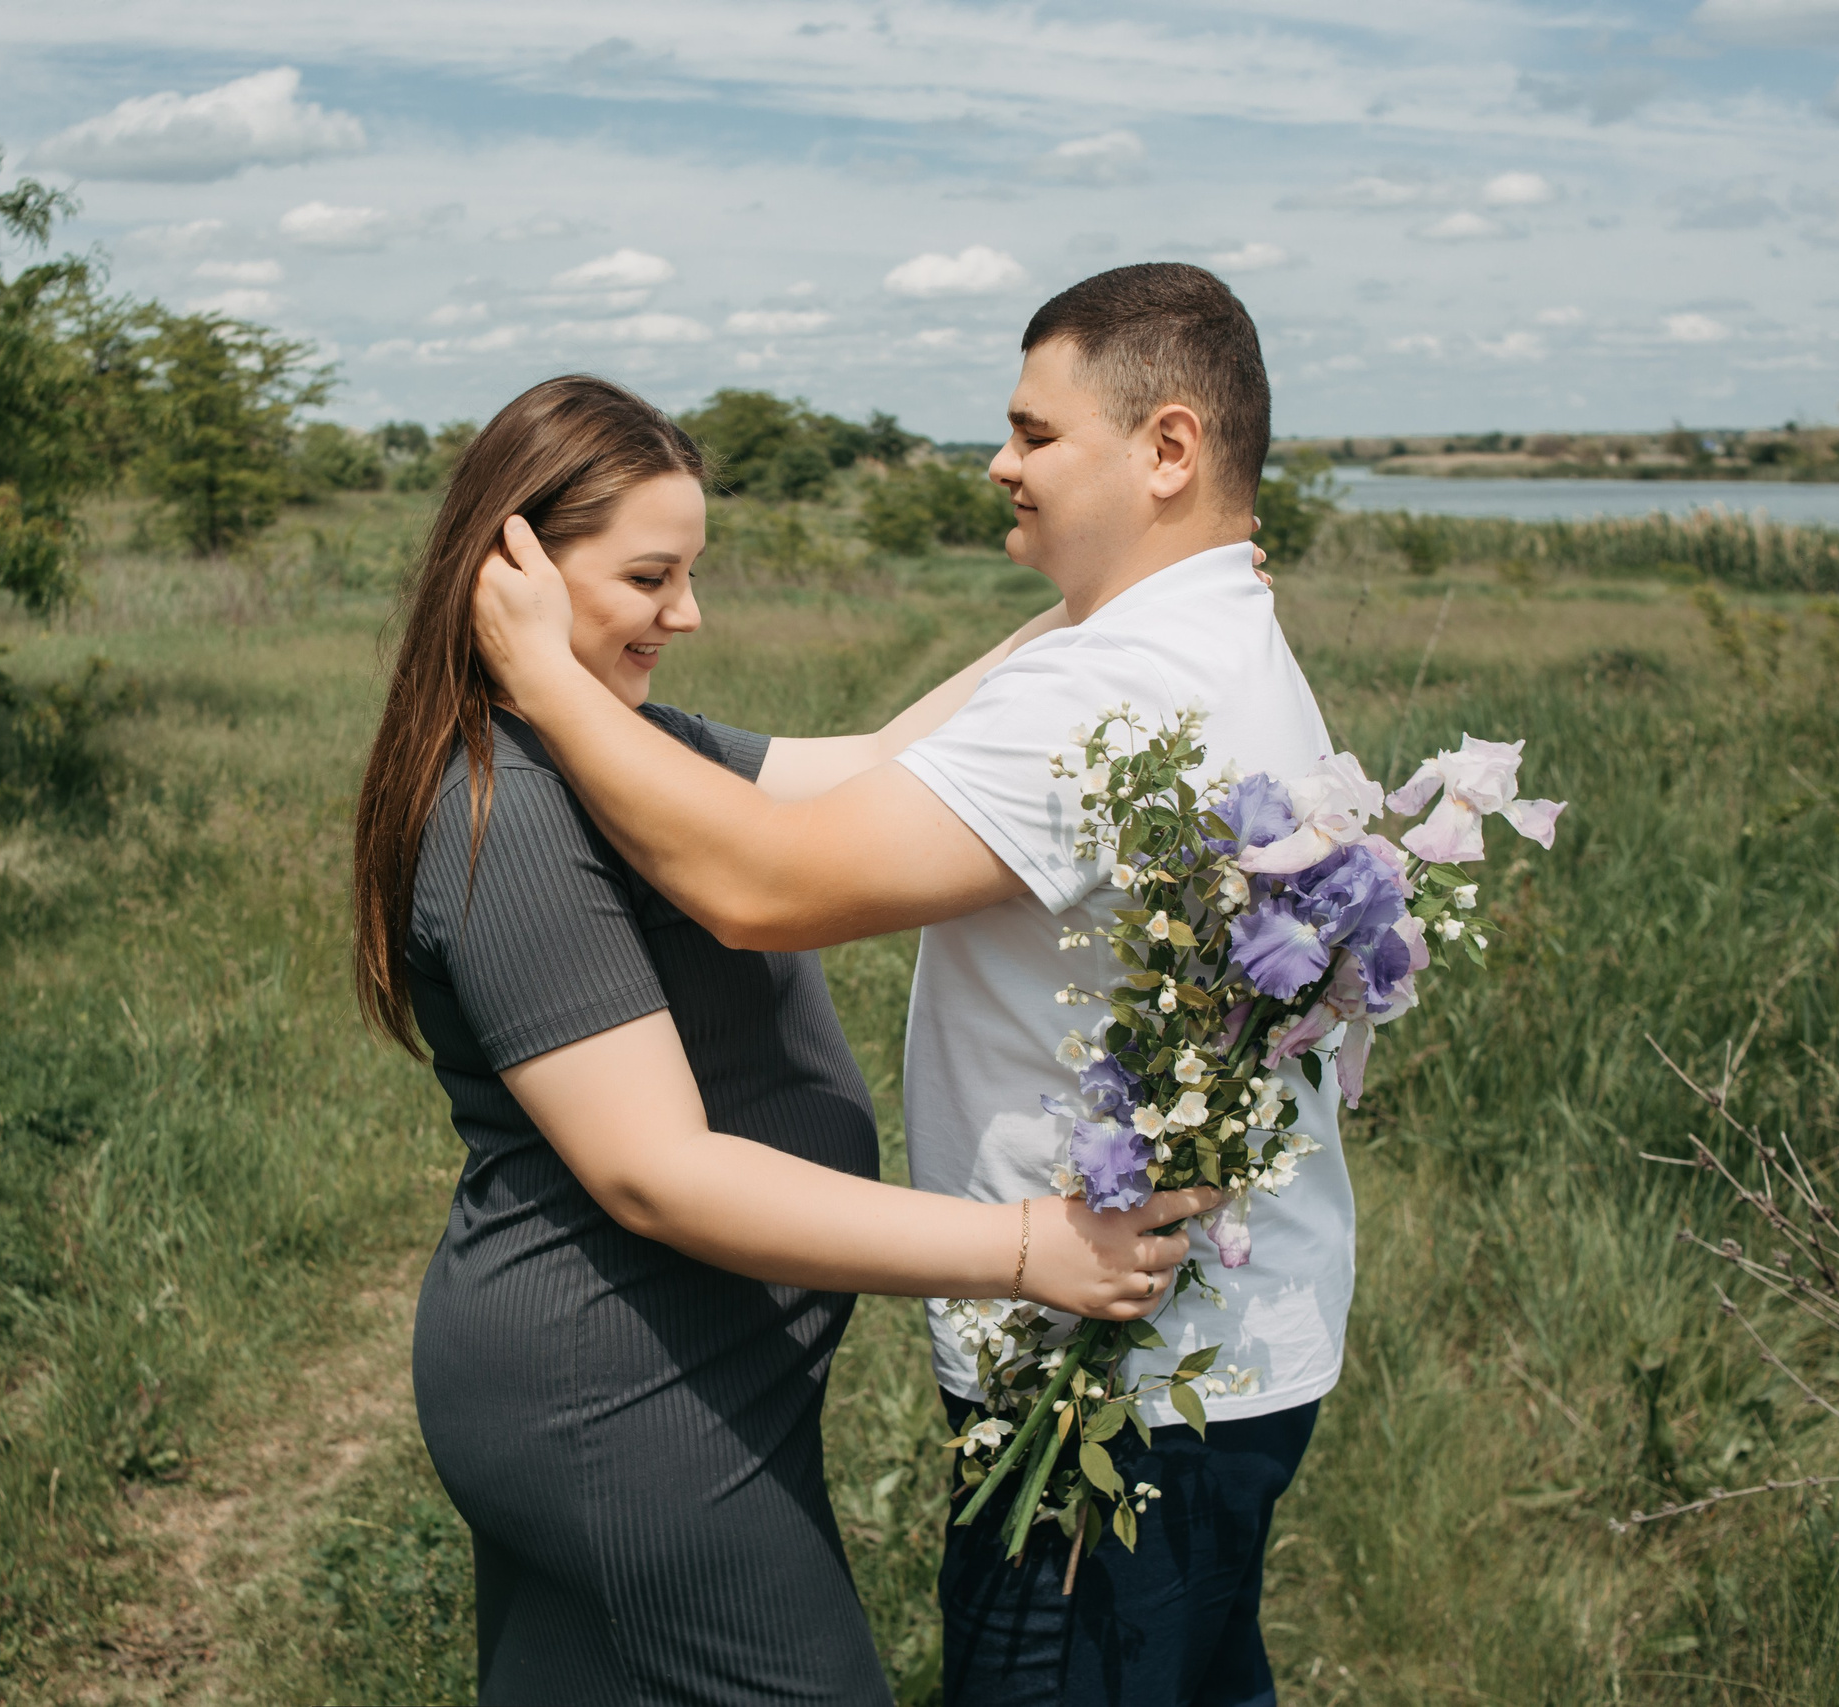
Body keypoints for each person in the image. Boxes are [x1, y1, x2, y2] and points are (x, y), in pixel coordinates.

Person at [472, 266, 1342, 1707]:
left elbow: (762, 887)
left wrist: (544, 683)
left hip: (1117, 1384)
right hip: (1199, 1356)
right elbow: (859, 757)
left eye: (1035, 432)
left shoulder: (1113, 693)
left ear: (1169, 451)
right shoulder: (1175, 644)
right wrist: (1062, 615)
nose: (999, 462)